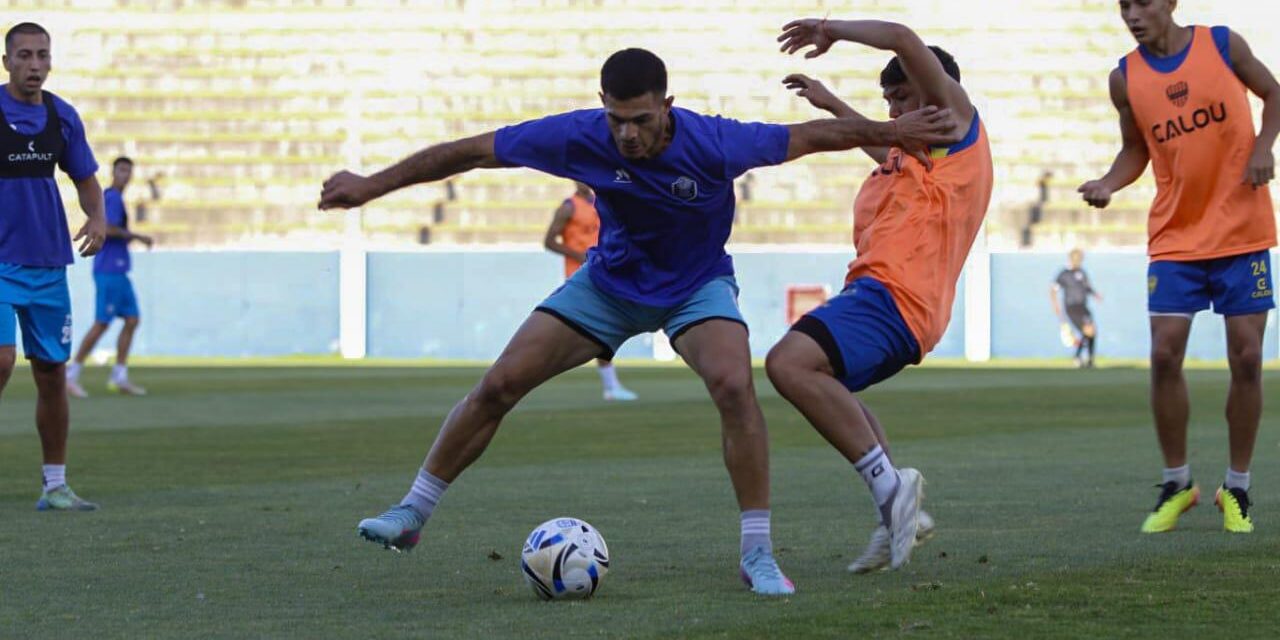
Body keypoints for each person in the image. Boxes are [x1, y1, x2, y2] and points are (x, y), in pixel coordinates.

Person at [319, 47, 956, 595]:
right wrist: (371, 186)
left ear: (667, 106)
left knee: (735, 386)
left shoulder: (715, 141)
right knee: (499, 383)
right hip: (610, 285)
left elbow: (809, 137)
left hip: (696, 288)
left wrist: (890, 130)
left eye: (641, 121)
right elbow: (473, 151)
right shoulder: (579, 135)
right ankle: (413, 512)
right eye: (617, 119)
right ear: (603, 106)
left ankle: (757, 553)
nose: (627, 135)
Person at [766, 17, 991, 573]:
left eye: (901, 97)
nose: (892, 111)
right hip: (887, 295)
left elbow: (903, 39)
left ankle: (893, 495)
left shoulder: (956, 126)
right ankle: (896, 514)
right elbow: (878, 144)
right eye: (887, 101)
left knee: (788, 364)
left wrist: (830, 29)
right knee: (828, 385)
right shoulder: (913, 156)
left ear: (935, 89)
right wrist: (831, 103)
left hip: (897, 294)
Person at [1078, 2, 1279, 534]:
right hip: (1176, 235)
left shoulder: (1222, 45)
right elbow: (1134, 150)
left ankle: (1236, 487)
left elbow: (1275, 94)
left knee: (1248, 357)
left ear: (1170, 2)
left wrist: (1263, 147)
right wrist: (1108, 183)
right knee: (1164, 353)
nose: (1132, 14)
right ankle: (1178, 483)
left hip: (1241, 230)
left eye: (1143, 2)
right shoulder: (1125, 78)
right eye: (1124, 5)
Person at [0, 22, 106, 511]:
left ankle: (55, 485)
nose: (35, 65)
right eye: (24, 55)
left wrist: (97, 218)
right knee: (2, 360)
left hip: (47, 264)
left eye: (42, 55)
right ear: (7, 62)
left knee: (50, 372)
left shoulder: (62, 117)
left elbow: (86, 180)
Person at [542, 180, 637, 401]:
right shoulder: (568, 207)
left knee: (600, 326)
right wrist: (577, 255)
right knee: (590, 327)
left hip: (604, 271)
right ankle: (610, 386)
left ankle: (611, 386)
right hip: (579, 275)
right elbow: (549, 241)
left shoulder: (600, 202)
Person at [67, 156, 153, 398]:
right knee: (102, 322)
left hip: (119, 270)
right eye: (121, 170)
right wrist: (136, 236)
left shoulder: (117, 198)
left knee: (132, 319)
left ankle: (119, 375)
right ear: (113, 172)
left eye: (128, 170)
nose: (125, 175)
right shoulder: (111, 197)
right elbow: (108, 227)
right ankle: (70, 375)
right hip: (109, 269)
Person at [1050, 248, 1102, 368]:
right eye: (1077, 258)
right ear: (1071, 259)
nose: (1079, 261)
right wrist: (1056, 306)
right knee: (1088, 331)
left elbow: (1087, 287)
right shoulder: (1064, 274)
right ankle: (1079, 357)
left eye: (1080, 258)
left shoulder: (1082, 273)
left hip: (1083, 306)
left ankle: (1088, 360)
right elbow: (1053, 290)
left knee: (1092, 332)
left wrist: (1095, 294)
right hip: (1072, 307)